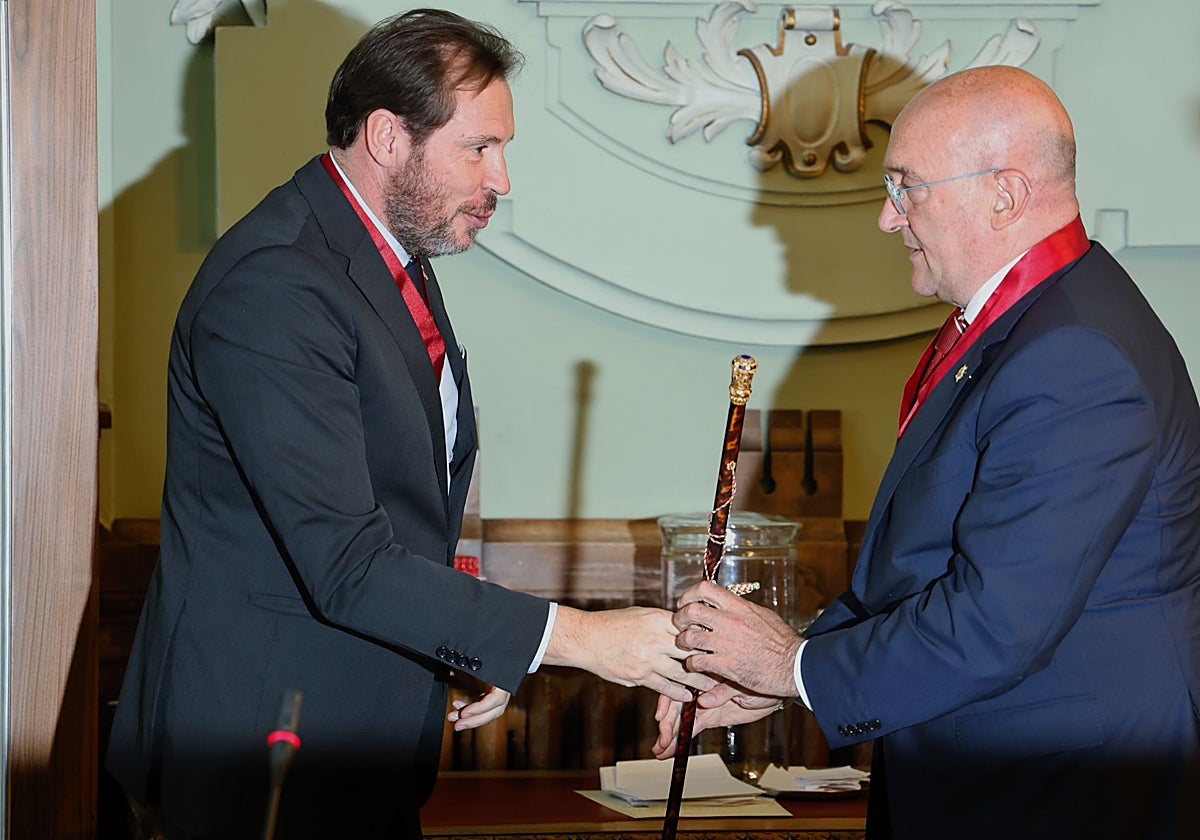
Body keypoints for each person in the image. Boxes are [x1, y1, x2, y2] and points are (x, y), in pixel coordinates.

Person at [106, 10, 711, 840]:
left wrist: (468, 644)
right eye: (479, 148)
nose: (503, 180)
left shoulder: (386, 257)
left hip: (352, 747)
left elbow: (400, 515)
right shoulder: (277, 282)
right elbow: (347, 562)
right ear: (389, 136)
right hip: (257, 760)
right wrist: (582, 638)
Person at [657, 65, 1200, 839]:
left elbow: (994, 622)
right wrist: (787, 672)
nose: (888, 217)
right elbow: (923, 571)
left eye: (907, 186)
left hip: (1060, 795)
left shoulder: (1076, 354)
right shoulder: (1039, 324)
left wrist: (792, 667)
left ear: (1004, 195)